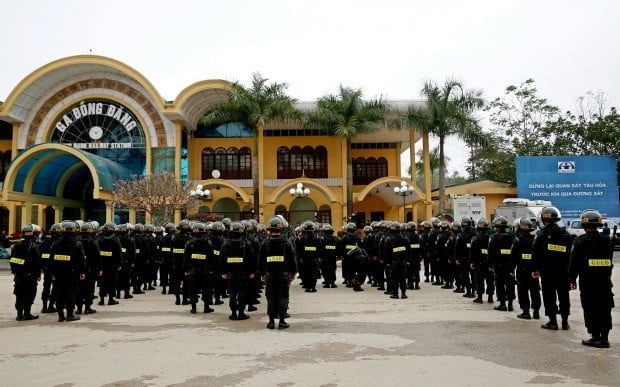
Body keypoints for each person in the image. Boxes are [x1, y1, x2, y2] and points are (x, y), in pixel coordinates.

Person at [569, 210, 614, 348]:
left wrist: (572, 279)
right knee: (604, 307)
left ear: (583, 224)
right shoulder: (606, 240)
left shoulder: (580, 241)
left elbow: (574, 262)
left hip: (588, 281)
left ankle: (595, 337)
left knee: (590, 307)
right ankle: (604, 338)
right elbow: (609, 261)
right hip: (604, 281)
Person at [532, 207, 573, 331]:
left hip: (547, 271)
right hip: (563, 271)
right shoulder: (565, 234)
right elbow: (569, 254)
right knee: (564, 296)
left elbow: (536, 253)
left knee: (549, 296)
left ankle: (553, 322)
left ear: (544, 219)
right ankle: (565, 322)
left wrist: (535, 269)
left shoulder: (541, 234)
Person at [259, 216, 297, 329]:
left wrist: (262, 273)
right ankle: (281, 321)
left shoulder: (265, 243)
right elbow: (292, 259)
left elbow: (260, 260)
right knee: (283, 297)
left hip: (270, 275)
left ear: (270, 229)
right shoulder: (287, 243)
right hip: (283, 275)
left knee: (271, 297)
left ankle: (271, 322)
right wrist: (293, 273)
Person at [49, 220, 86, 322]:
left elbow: (51, 260)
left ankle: (60, 315)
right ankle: (70, 314)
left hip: (58, 273)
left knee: (59, 293)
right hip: (72, 273)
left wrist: (52, 273)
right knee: (71, 293)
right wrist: (82, 272)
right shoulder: (77, 244)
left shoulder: (55, 244)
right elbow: (81, 259)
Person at [221, 221, 255, 320]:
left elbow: (222, 259)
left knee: (232, 292)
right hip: (243, 273)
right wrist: (251, 272)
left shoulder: (226, 243)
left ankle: (233, 313)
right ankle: (241, 313)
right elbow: (251, 259)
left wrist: (223, 272)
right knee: (242, 292)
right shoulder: (246, 243)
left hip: (231, 273)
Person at [10, 224, 42, 321]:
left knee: (19, 295)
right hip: (30, 276)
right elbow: (38, 262)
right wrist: (38, 274)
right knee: (30, 294)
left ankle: (19, 315)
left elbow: (13, 262)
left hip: (19, 276)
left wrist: (17, 272)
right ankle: (27, 314)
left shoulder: (16, 246)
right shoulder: (34, 247)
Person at [510, 218, 541, 320]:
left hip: (522, 270)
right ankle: (536, 312)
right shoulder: (535, 239)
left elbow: (513, 257)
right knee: (535, 291)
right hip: (533, 271)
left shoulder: (517, 241)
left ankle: (526, 312)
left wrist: (511, 269)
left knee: (523, 291)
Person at [183, 222, 215, 314]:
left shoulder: (189, 243)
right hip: (206, 271)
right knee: (207, 289)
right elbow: (211, 258)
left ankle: (193, 308)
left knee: (193, 289)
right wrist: (211, 269)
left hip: (193, 271)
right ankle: (206, 307)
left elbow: (186, 258)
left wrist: (186, 269)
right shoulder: (208, 243)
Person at [488, 216, 516, 312]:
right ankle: (511, 305)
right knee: (510, 284)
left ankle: (503, 304)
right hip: (510, 264)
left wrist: (490, 265)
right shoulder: (512, 236)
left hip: (499, 265)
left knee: (500, 284)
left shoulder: (494, 237)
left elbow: (490, 252)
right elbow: (515, 251)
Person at [381, 222, 411, 299]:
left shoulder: (389, 240)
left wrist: (387, 262)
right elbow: (409, 251)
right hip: (403, 262)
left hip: (393, 263)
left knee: (394, 278)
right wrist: (407, 260)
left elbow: (386, 252)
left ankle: (395, 294)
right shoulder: (405, 239)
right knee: (403, 278)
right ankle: (403, 294)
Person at [97, 222, 123, 308]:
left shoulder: (99, 239)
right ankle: (111, 299)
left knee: (102, 282)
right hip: (112, 265)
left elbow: (97, 252)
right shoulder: (115, 239)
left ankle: (102, 300)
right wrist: (119, 263)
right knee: (112, 282)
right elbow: (119, 252)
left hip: (102, 264)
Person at [295, 221, 323, 293]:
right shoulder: (317, 239)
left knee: (306, 273)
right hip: (314, 259)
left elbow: (298, 249)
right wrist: (319, 257)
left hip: (305, 259)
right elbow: (320, 249)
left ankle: (307, 287)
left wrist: (300, 258)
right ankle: (313, 287)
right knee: (313, 273)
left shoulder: (302, 239)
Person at [470, 219, 493, 304]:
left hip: (478, 262)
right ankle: (490, 296)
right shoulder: (491, 238)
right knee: (490, 280)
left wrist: (472, 262)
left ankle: (480, 297)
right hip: (488, 262)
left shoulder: (475, 238)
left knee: (479, 280)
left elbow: (472, 251)